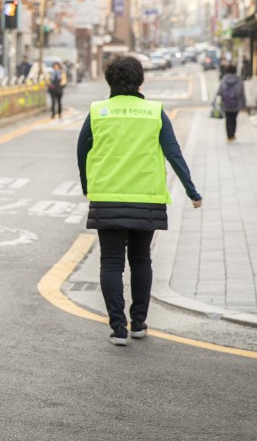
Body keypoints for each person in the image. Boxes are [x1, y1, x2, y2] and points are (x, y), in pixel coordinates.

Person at [77, 56, 203, 347]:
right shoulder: (154, 112)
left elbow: (82, 152)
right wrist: (191, 191)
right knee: (141, 259)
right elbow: (174, 154)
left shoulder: (98, 112)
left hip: (107, 198)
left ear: (109, 80)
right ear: (140, 81)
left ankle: (118, 329)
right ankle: (139, 323)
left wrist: (87, 186)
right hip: (147, 199)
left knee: (110, 263)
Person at [217, 64, 246, 141]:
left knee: (228, 119)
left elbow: (219, 92)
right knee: (234, 119)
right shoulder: (239, 80)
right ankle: (232, 134)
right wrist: (243, 104)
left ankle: (228, 135)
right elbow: (241, 93)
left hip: (226, 104)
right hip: (236, 104)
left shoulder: (223, 80)